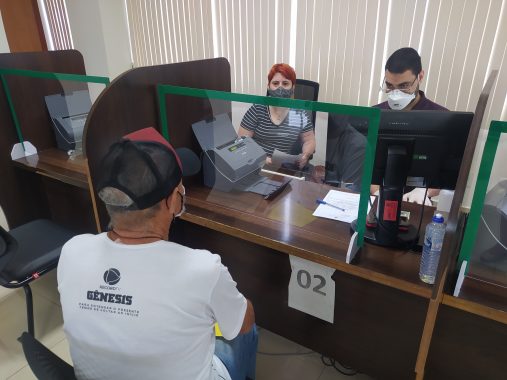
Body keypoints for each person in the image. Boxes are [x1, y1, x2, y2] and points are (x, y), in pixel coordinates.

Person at [58, 127, 257, 380]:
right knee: (244, 328)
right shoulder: (204, 269)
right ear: (174, 200)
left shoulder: (73, 250)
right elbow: (244, 323)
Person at [372, 47, 448, 204]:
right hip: (379, 197)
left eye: (404, 86)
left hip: (418, 201)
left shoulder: (442, 118)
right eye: (390, 86)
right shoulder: (375, 115)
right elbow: (365, 165)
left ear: (420, 76)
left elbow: (447, 172)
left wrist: (424, 191)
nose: (396, 92)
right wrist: (378, 192)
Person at [238, 63, 316, 169]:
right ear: (268, 86)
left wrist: (305, 155)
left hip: (286, 168)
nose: (280, 88)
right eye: (275, 83)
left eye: (285, 83)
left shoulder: (299, 112)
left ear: (293, 87)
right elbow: (242, 142)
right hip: (258, 165)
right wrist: (261, 158)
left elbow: (309, 140)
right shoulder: (257, 109)